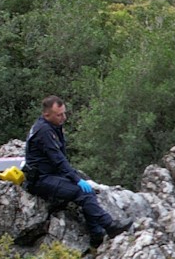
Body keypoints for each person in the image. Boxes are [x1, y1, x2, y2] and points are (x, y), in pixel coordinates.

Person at [23, 95, 123, 245]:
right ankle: (108, 226)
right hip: (41, 180)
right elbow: (58, 159)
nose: (63, 117)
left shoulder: (52, 126)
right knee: (81, 191)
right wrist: (76, 179)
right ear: (46, 115)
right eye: (59, 114)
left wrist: (75, 177)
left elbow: (60, 158)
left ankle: (97, 235)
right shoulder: (43, 131)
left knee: (88, 190)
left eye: (64, 113)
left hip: (50, 174)